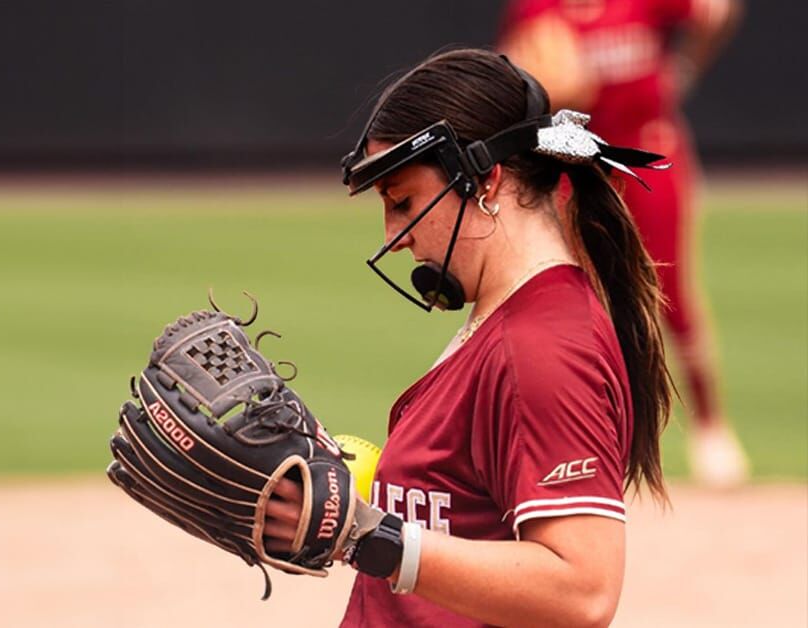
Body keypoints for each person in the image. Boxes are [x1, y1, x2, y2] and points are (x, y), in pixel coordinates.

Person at [261, 48, 674, 626]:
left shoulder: (543, 349)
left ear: (484, 178)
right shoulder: (508, 319)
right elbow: (466, 511)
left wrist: (369, 538)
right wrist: (348, 503)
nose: (394, 235)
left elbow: (583, 591)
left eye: (402, 201)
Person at [500, 0, 749, 487]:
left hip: (648, 152)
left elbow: (717, 12)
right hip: (580, 163)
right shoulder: (537, 7)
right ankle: (586, 435)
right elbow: (515, 68)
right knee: (575, 294)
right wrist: (541, 84)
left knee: (671, 291)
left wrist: (685, 65)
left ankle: (710, 425)